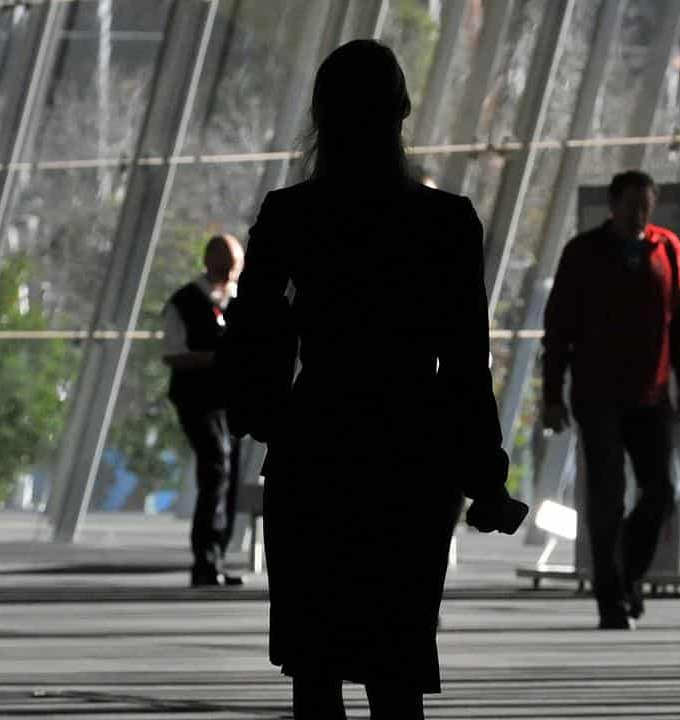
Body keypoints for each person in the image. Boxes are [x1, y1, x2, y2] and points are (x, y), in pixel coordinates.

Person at [222, 40, 525, 720]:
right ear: (402, 112)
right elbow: (466, 366)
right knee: (397, 668)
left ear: (321, 115)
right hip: (413, 456)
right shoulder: (447, 224)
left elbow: (254, 339)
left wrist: (270, 419)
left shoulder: (291, 216)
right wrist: (484, 477)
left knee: (316, 664)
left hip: (318, 446)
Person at [541, 170, 680, 630]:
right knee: (607, 496)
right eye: (631, 205)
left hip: (652, 396)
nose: (639, 215)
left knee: (662, 493)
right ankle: (610, 598)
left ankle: (628, 574)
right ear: (612, 206)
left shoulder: (667, 250)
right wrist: (553, 395)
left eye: (646, 206)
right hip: (598, 395)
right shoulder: (584, 253)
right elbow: (559, 332)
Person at [161, 233, 246, 589]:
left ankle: (216, 555)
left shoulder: (236, 301)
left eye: (234, 270)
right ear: (208, 262)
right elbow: (172, 352)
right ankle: (204, 558)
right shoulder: (184, 302)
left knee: (228, 475)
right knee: (216, 466)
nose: (228, 277)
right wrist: (214, 359)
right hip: (197, 399)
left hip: (229, 401)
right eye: (223, 268)